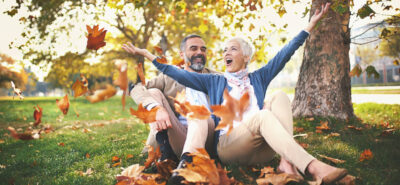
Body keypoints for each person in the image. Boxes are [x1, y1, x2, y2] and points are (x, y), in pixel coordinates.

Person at [124, 3, 351, 184]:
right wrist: (148, 55)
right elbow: (177, 74)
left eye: (232, 49)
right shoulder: (214, 80)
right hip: (228, 145)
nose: (225, 54)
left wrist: (309, 26)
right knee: (260, 116)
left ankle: (287, 162)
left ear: (246, 56)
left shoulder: (259, 77)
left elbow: (285, 54)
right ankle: (313, 167)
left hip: (260, 146)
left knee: (280, 96)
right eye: (224, 51)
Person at [122, 35, 219, 172]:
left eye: (203, 49)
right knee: (154, 93)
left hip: (205, 139)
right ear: (182, 54)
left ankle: (186, 164)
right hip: (177, 137)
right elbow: (135, 88)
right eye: (193, 48)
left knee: (198, 114)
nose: (199, 52)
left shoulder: (216, 78)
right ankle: (165, 150)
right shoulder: (169, 76)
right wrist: (156, 108)